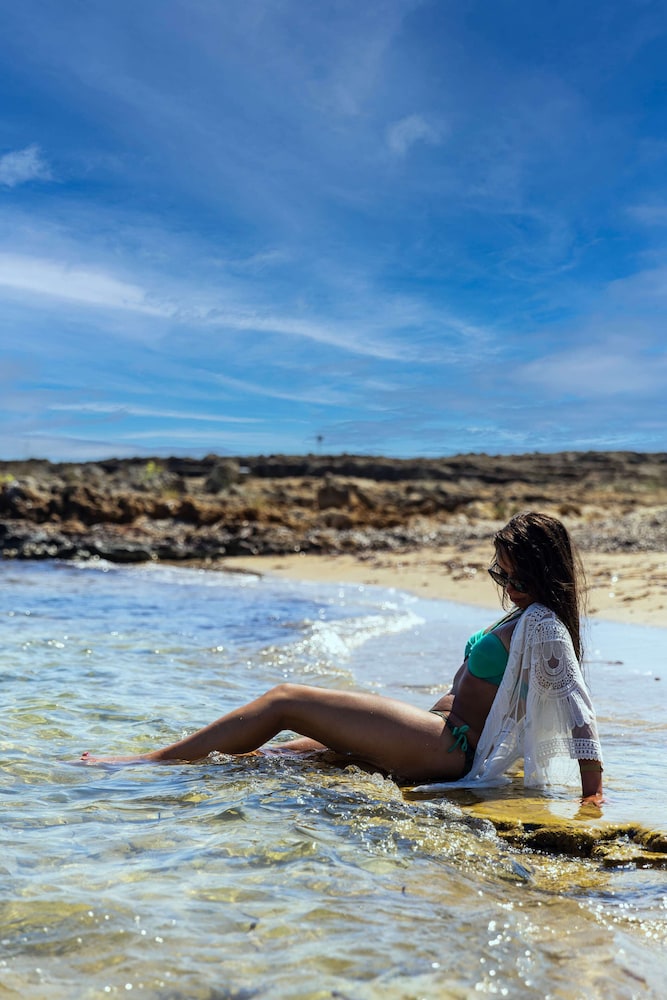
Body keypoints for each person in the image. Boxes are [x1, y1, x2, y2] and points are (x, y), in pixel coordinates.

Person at [82, 512, 603, 805]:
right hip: (436, 729)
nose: (508, 587)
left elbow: (580, 713)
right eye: (500, 576)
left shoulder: (543, 625)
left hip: (449, 747)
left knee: (285, 701)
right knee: (283, 757)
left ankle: (144, 764)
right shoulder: (526, 616)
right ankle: (166, 785)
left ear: (543, 573)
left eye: (518, 578)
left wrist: (592, 797)